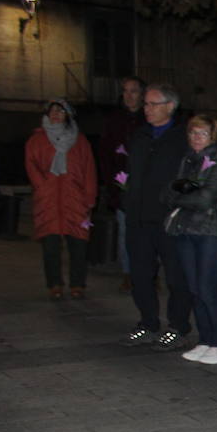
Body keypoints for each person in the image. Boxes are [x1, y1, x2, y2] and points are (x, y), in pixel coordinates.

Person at [121, 83, 192, 350]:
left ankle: (178, 327)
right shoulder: (139, 136)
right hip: (138, 218)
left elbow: (191, 178)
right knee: (140, 274)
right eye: (146, 104)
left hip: (169, 218)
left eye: (153, 104)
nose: (146, 109)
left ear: (170, 106)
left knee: (176, 275)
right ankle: (148, 323)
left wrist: (178, 204)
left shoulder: (183, 137)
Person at [165, 115, 217, 364]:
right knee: (193, 289)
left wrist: (178, 199)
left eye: (202, 134)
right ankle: (205, 339)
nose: (196, 138)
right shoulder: (188, 159)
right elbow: (170, 188)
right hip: (185, 230)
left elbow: (206, 199)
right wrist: (179, 196)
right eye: (193, 133)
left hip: (210, 231)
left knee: (207, 289)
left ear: (213, 136)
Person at [25, 99, 97, 300]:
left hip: (75, 200)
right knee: (50, 246)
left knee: (79, 245)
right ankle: (54, 284)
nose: (55, 114)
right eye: (52, 111)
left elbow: (89, 170)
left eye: (60, 111)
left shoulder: (80, 141)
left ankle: (77, 284)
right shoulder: (36, 140)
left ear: (68, 115)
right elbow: (31, 165)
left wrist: (89, 197)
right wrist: (42, 186)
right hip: (48, 201)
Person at [97, 75, 143, 292]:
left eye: (133, 91)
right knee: (125, 230)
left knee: (149, 232)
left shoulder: (149, 119)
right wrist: (112, 181)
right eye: (125, 91)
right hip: (122, 185)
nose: (129, 95)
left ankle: (149, 274)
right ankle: (128, 272)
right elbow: (105, 154)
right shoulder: (114, 120)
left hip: (146, 187)